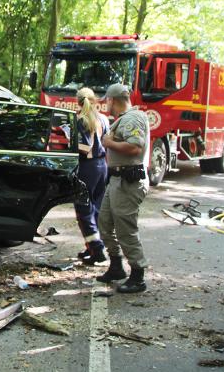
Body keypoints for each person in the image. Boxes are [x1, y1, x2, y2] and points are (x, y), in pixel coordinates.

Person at [96, 83, 150, 293]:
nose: (105, 104)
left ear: (113, 100)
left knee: (126, 229)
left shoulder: (132, 118)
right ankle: (116, 266)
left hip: (129, 181)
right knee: (105, 222)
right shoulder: (124, 119)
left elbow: (135, 147)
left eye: (107, 100)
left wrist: (108, 143)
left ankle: (138, 275)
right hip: (117, 180)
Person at [74, 87, 109, 265]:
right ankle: (93, 246)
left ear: (78, 102)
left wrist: (69, 141)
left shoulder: (81, 120)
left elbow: (85, 148)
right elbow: (106, 143)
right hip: (103, 166)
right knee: (97, 207)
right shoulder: (103, 118)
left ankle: (97, 248)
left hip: (87, 167)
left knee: (83, 209)